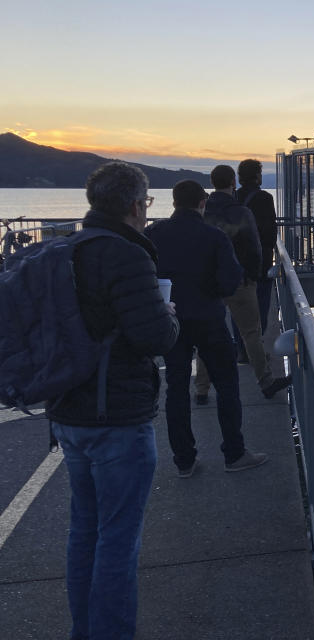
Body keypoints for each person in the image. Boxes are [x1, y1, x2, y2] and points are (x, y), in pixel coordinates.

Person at [50, 162, 180, 640]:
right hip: (116, 419)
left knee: (84, 533)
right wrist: (168, 314)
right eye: (146, 204)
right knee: (118, 543)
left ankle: (84, 631)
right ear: (132, 205)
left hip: (68, 412)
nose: (147, 214)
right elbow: (154, 339)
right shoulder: (126, 255)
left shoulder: (67, 249)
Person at [145, 180, 268, 477]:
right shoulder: (213, 237)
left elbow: (143, 275)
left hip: (170, 320)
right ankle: (234, 454)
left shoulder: (153, 234)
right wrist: (210, 290)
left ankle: (184, 460)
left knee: (176, 389)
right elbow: (230, 280)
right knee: (227, 386)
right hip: (209, 319)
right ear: (202, 204)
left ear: (174, 203)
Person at [193, 164, 291, 404]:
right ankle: (266, 383)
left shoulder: (203, 212)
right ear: (232, 181)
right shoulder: (241, 212)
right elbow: (256, 247)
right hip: (240, 280)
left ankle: (202, 390)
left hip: (210, 282)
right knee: (251, 334)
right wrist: (253, 274)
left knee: (206, 335)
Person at [236, 158, 278, 332]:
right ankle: (258, 343)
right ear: (257, 176)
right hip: (261, 261)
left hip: (237, 260)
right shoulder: (265, 198)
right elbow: (270, 233)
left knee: (238, 308)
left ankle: (240, 345)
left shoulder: (233, 197)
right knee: (260, 303)